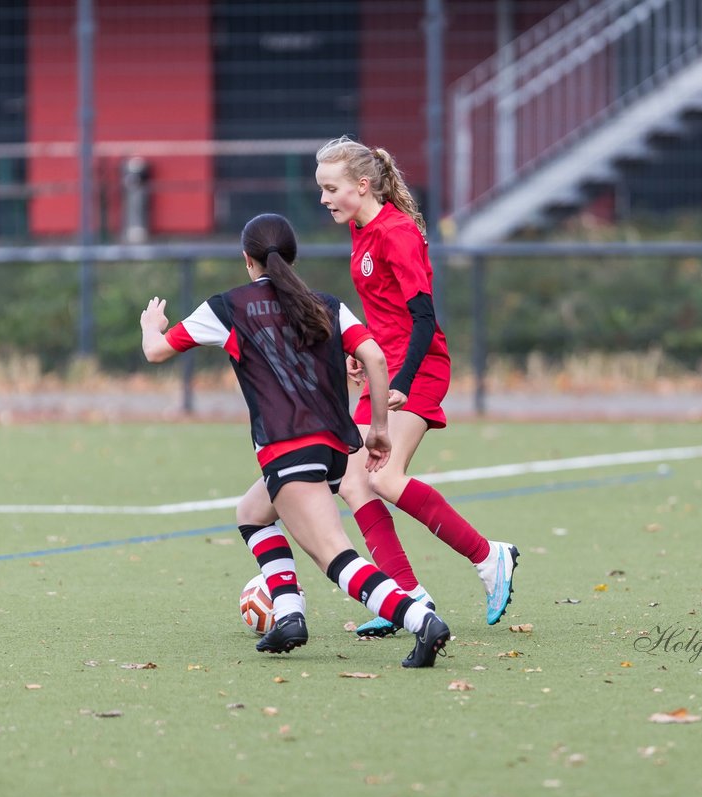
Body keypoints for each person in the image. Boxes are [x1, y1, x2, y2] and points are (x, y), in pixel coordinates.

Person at [235, 136, 518, 639]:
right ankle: (408, 594)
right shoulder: (363, 231)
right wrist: (363, 356)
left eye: (330, 188)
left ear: (361, 186)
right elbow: (386, 312)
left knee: (384, 478)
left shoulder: (397, 232)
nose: (322, 199)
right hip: (388, 369)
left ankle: (488, 556)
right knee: (353, 480)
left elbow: (424, 320)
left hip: (420, 369)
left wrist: (401, 384)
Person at [140, 213, 451, 668]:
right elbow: (375, 358)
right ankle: (288, 614)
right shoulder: (325, 303)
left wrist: (152, 323)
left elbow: (156, 350)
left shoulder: (229, 306)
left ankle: (420, 619)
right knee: (252, 513)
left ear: (247, 260)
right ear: (292, 257)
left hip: (289, 448)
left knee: (336, 557)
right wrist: (380, 428)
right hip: (331, 449)